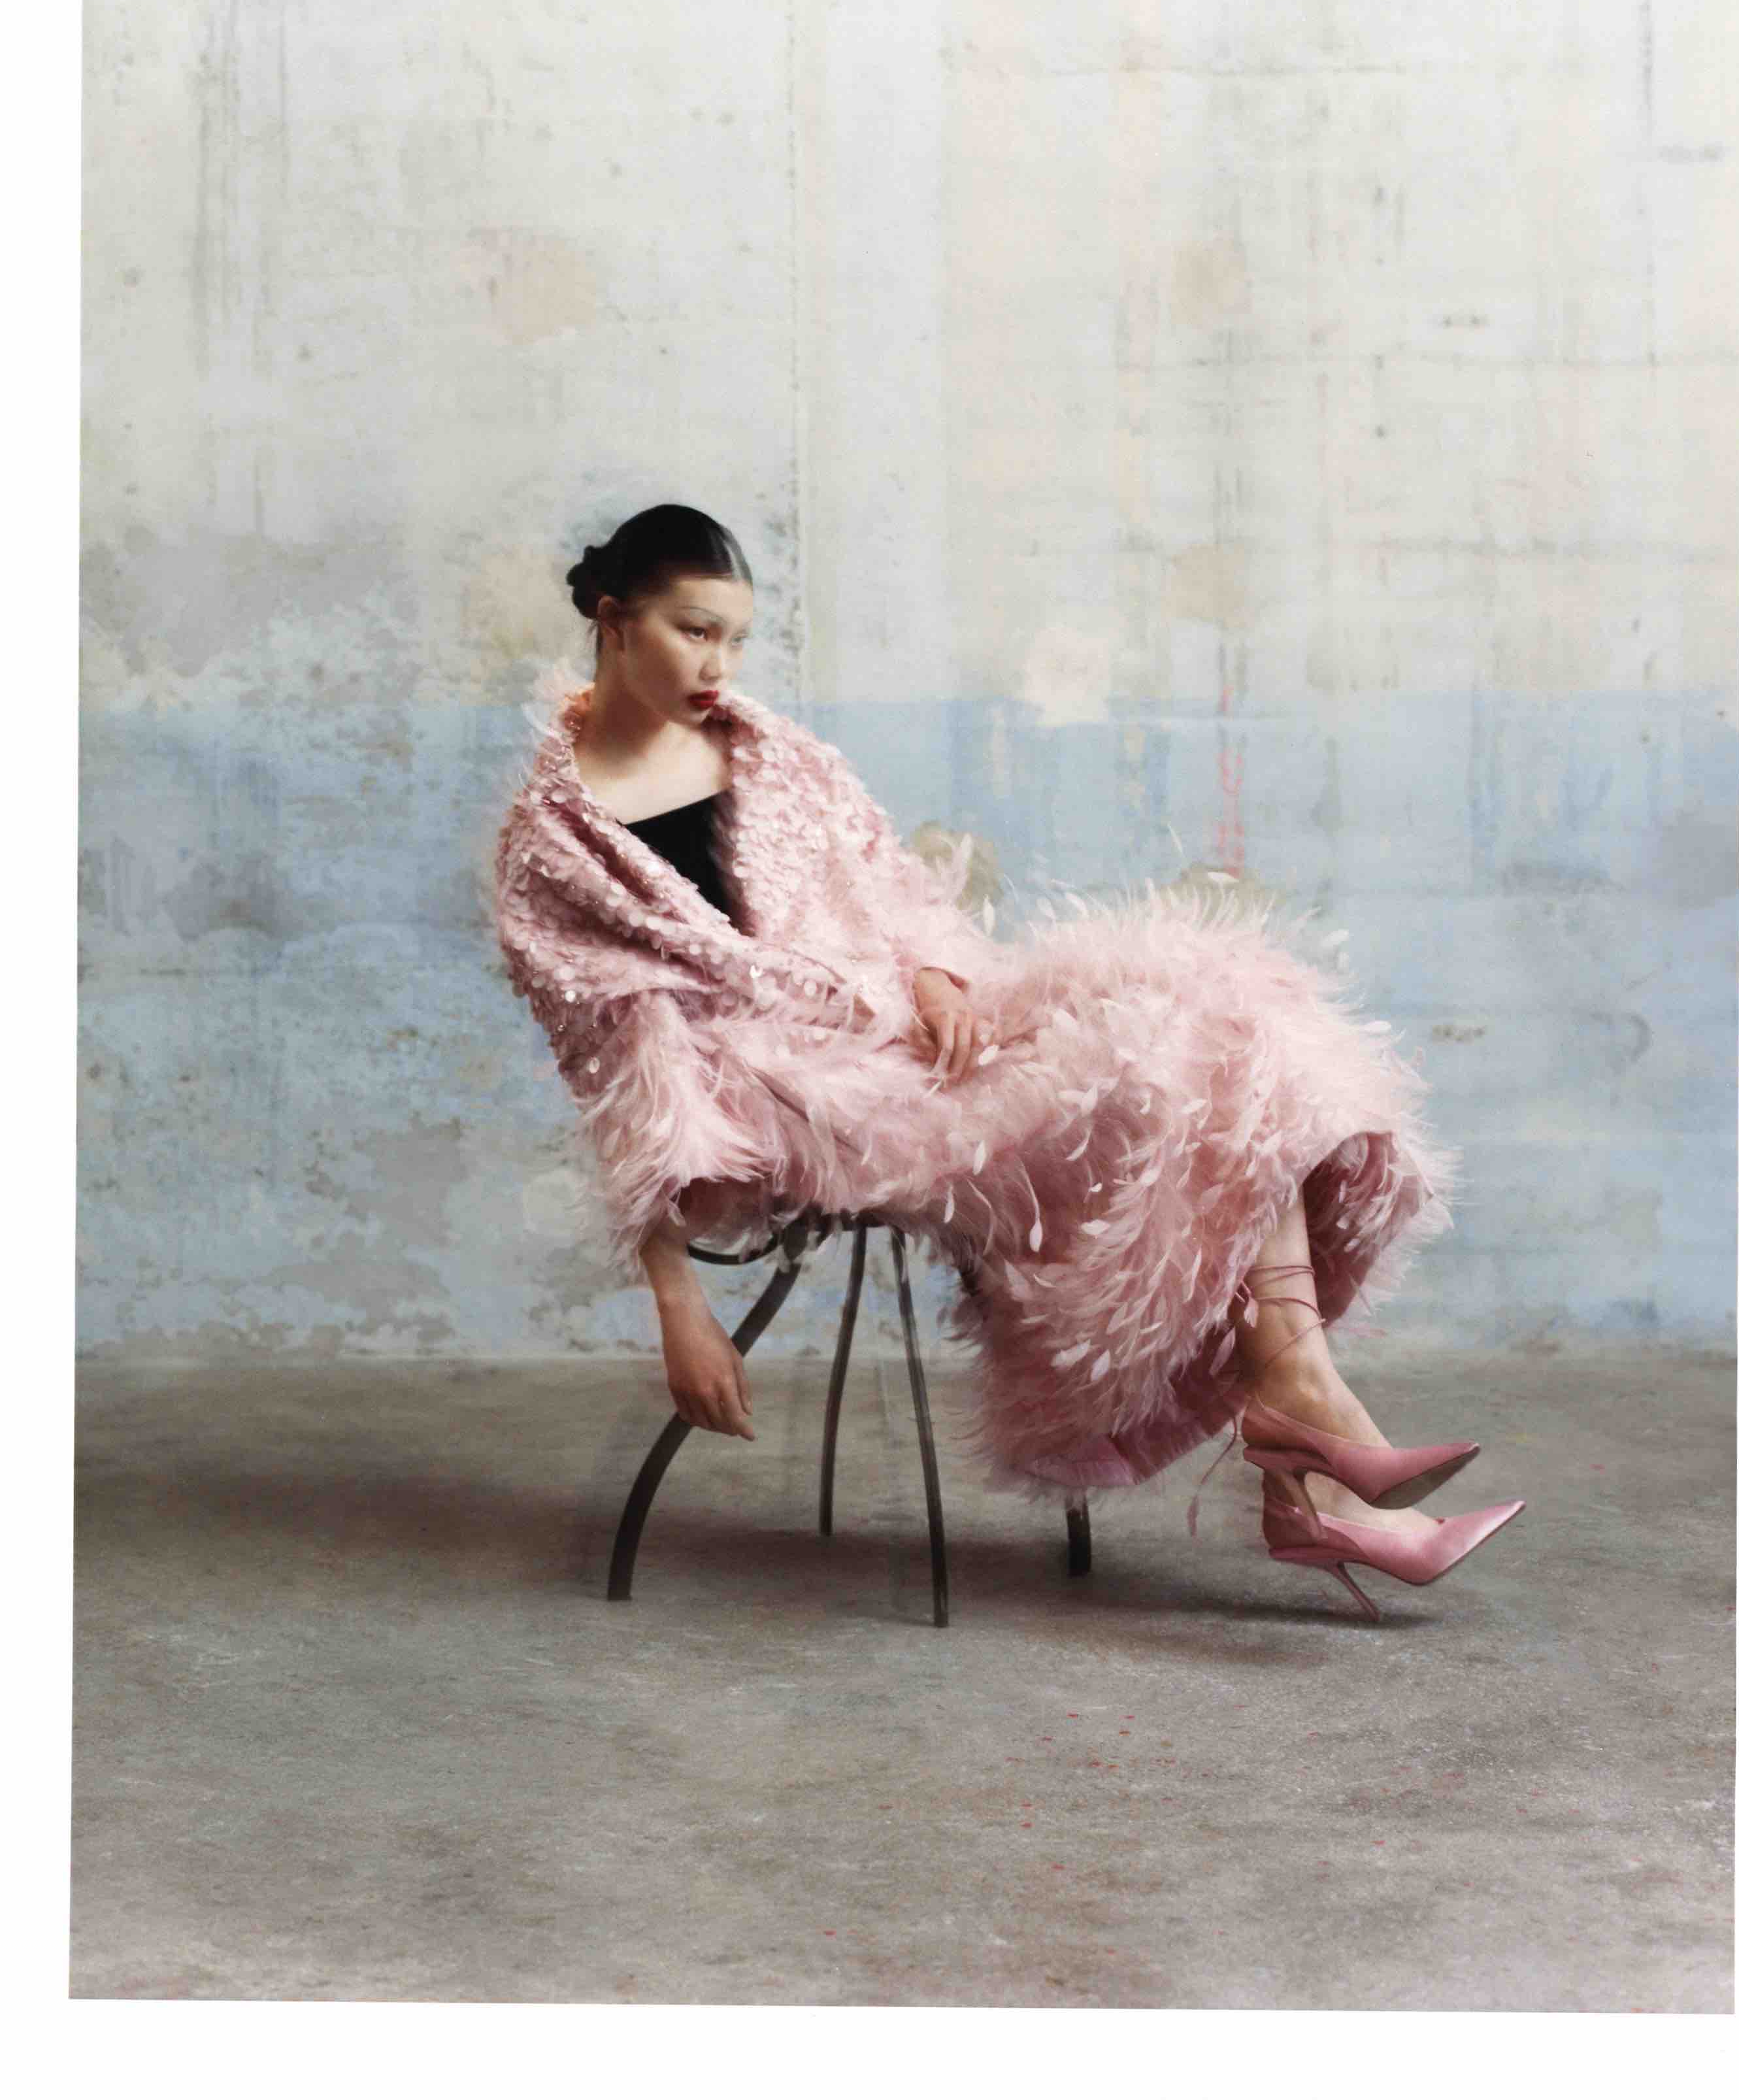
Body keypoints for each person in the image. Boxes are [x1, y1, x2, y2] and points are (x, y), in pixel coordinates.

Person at [493, 504, 1524, 1623]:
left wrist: (938, 974)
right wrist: (676, 1301)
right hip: (800, 1102)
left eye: (736, 638)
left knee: (1221, 1022)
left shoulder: (773, 753)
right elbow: (618, 1071)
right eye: (695, 631)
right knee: (1149, 1078)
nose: (720, 666)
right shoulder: (553, 846)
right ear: (613, 620)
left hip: (925, 1028)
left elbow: (895, 888)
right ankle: (1314, 1441)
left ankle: (1308, 1430)